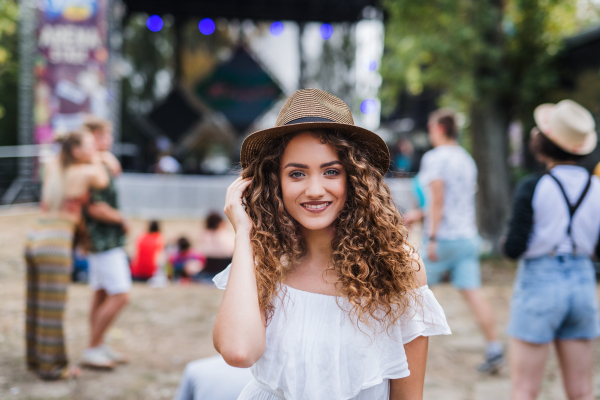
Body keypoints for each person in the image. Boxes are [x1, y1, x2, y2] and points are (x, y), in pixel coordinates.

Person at [213, 89, 451, 400]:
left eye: (331, 172)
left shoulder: (397, 267)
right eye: (297, 173)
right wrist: (244, 232)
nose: (314, 189)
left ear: (354, 178)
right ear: (276, 183)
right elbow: (238, 351)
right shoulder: (264, 261)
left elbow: (408, 396)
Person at [504, 99, 600, 400]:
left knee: (525, 390)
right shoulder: (597, 187)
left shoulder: (534, 186)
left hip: (540, 283)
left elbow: (514, 247)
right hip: (583, 282)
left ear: (544, 142)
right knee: (582, 392)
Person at [407, 108, 504, 373]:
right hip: (467, 236)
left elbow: (437, 200)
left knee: (410, 291)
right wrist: (419, 214)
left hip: (444, 238)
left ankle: (399, 349)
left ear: (440, 129)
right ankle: (494, 347)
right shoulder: (466, 159)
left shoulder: (435, 158)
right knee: (473, 292)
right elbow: (451, 201)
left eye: (430, 127)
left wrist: (433, 236)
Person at [25, 130, 109, 380]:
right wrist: (100, 159)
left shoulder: (52, 167)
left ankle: (35, 359)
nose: (95, 148)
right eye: (90, 145)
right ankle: (53, 368)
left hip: (36, 235)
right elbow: (103, 180)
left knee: (35, 305)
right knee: (53, 308)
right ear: (76, 151)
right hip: (56, 241)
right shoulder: (86, 171)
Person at [80, 117, 131, 369]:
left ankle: (97, 344)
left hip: (100, 239)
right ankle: (92, 348)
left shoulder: (96, 162)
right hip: (104, 239)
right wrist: (121, 218)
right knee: (121, 294)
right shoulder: (92, 166)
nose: (109, 140)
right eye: (105, 136)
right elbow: (94, 206)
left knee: (100, 293)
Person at [198, 212, 234, 278]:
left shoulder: (204, 234)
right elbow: (232, 250)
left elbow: (203, 251)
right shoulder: (224, 234)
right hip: (224, 264)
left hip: (210, 266)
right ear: (220, 223)